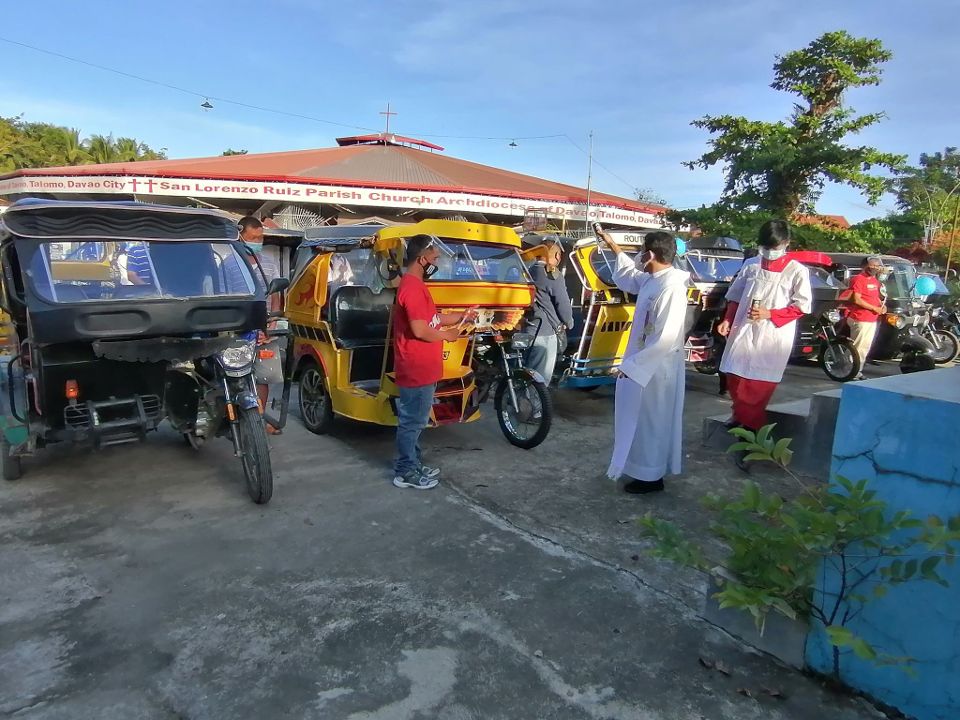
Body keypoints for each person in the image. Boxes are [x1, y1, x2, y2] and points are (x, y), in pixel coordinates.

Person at [598, 229, 691, 495]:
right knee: (639, 420)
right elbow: (630, 277)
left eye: (641, 251)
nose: (638, 256)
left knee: (652, 421)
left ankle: (651, 477)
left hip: (656, 369)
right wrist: (613, 246)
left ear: (650, 255)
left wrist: (632, 367)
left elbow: (665, 338)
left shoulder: (671, 287)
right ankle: (641, 469)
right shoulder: (654, 279)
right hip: (642, 363)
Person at [717, 220, 812, 471]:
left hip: (771, 337)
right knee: (735, 379)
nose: (770, 251)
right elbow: (735, 297)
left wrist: (770, 313)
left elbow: (801, 306)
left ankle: (749, 442)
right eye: (766, 246)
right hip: (743, 332)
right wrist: (727, 319)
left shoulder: (796, 271)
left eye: (775, 246)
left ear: (786, 244)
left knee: (756, 390)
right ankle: (740, 419)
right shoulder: (751, 265)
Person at [392, 235, 477, 490]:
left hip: (423, 368)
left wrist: (461, 316)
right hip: (415, 367)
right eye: (434, 255)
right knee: (412, 422)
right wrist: (448, 336)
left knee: (417, 421)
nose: (437, 259)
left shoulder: (417, 286)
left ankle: (414, 463)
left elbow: (433, 318)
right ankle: (405, 471)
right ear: (422, 259)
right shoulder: (411, 287)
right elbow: (420, 330)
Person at [525, 236, 574, 382]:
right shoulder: (552, 275)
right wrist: (569, 322)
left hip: (528, 329)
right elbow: (563, 304)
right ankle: (534, 405)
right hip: (545, 331)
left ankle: (519, 403)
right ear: (558, 255)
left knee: (527, 373)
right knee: (540, 379)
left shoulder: (528, 271)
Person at [845, 256, 887, 378]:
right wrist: (874, 308)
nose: (875, 268)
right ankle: (851, 371)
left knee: (865, 347)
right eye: (872, 265)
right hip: (860, 318)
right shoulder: (858, 279)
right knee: (858, 347)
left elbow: (875, 297)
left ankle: (857, 371)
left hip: (872, 319)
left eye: (877, 265)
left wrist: (881, 306)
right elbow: (856, 299)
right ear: (865, 266)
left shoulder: (874, 281)